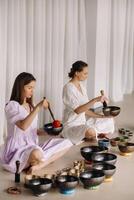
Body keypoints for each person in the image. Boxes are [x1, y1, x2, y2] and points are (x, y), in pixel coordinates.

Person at [0, 72, 72, 174]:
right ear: (20, 87)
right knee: (37, 154)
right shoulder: (11, 106)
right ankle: (40, 160)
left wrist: (49, 130)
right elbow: (23, 126)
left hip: (33, 146)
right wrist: (38, 107)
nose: (32, 91)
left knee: (67, 142)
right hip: (17, 150)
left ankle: (39, 165)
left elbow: (34, 131)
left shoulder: (31, 106)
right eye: (29, 88)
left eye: (33, 88)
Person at [61, 61, 115, 144]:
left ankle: (91, 134)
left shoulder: (82, 87)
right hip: (71, 126)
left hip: (83, 122)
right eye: (85, 73)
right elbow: (78, 110)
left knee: (109, 119)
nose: (87, 76)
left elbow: (85, 110)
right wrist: (95, 100)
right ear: (76, 73)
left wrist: (101, 116)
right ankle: (92, 134)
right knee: (90, 131)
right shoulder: (68, 88)